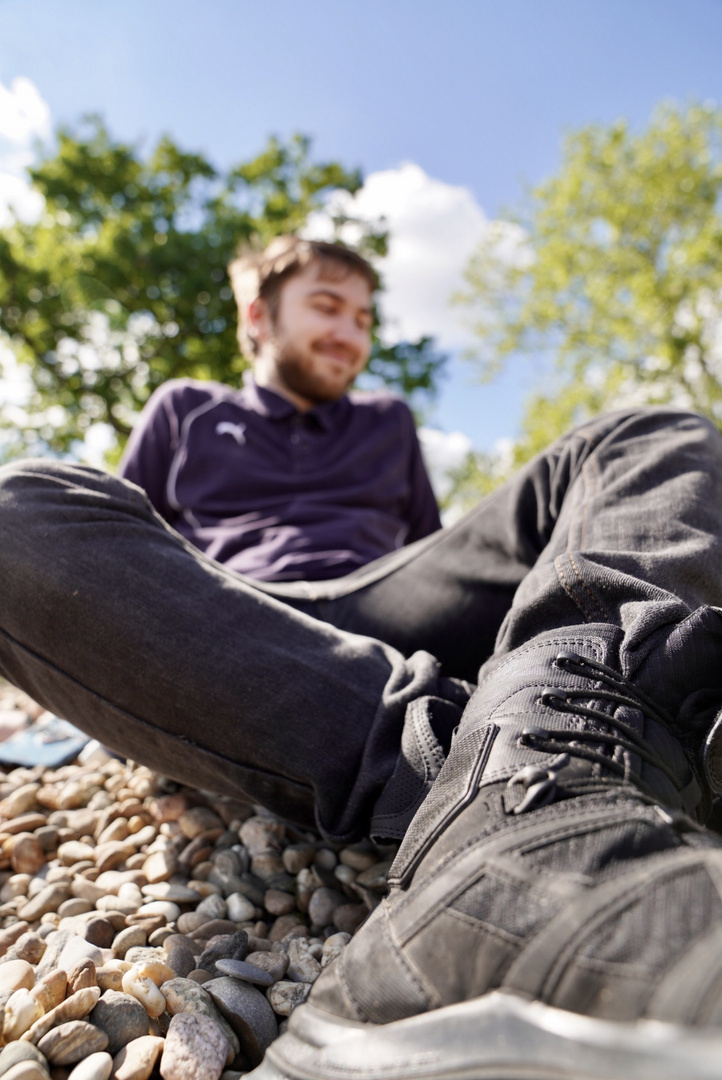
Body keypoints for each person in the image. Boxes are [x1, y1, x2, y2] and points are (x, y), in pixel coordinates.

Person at [2, 258, 722, 1078]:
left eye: (364, 318)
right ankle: (525, 777)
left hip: (388, 594)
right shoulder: (188, 409)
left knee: (650, 431)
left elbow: (442, 551)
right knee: (17, 511)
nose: (351, 334)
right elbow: (122, 559)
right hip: (234, 610)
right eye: (327, 308)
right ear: (257, 315)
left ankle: (566, 742)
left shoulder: (386, 421)